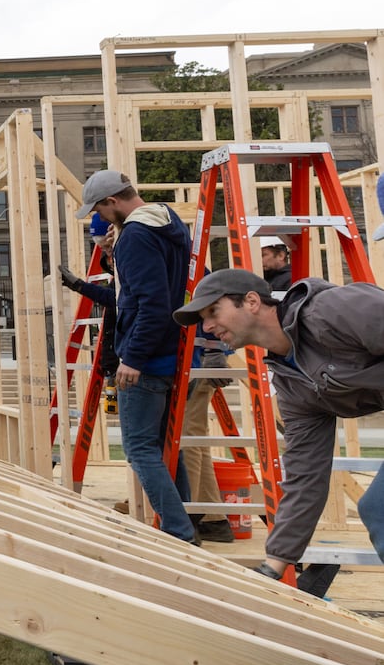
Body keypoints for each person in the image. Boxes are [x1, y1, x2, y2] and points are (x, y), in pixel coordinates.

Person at [174, 267, 384, 579]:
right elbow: (305, 476)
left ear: (251, 302)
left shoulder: (334, 310)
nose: (207, 326)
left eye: (214, 311)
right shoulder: (291, 383)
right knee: (379, 511)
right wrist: (273, 566)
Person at [77, 169, 196, 545]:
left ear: (113, 201)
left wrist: (133, 357)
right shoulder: (167, 221)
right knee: (163, 446)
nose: (101, 216)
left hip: (146, 359)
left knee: (140, 449)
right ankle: (187, 522)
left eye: (100, 208)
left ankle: (179, 531)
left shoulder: (137, 238)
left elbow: (151, 303)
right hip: (170, 352)